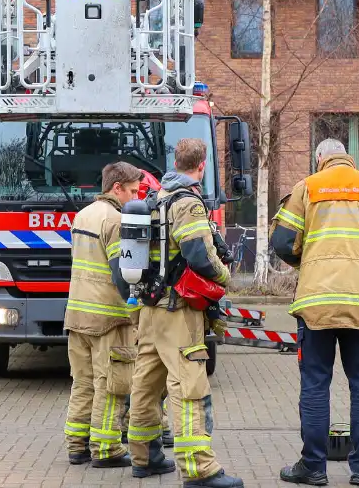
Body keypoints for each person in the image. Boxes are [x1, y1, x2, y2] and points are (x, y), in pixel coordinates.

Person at [272, 139, 359, 486]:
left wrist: (309, 262)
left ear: (320, 159)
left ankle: (313, 467)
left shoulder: (307, 187)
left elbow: (282, 242)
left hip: (317, 302)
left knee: (315, 384)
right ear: (350, 157)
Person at [125, 138, 242, 487]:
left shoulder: (154, 198)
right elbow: (198, 255)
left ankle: (144, 457)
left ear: (175, 162)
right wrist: (225, 276)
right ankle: (198, 468)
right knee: (189, 385)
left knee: (146, 383)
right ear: (202, 165)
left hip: (149, 309)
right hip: (178, 309)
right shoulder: (188, 203)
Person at [64, 162, 159, 469]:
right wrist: (138, 308)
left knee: (83, 382)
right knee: (112, 384)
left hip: (77, 314)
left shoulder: (83, 215)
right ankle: (106, 449)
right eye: (132, 191)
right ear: (116, 187)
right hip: (109, 318)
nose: (136, 198)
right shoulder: (117, 220)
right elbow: (123, 274)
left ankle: (76, 445)